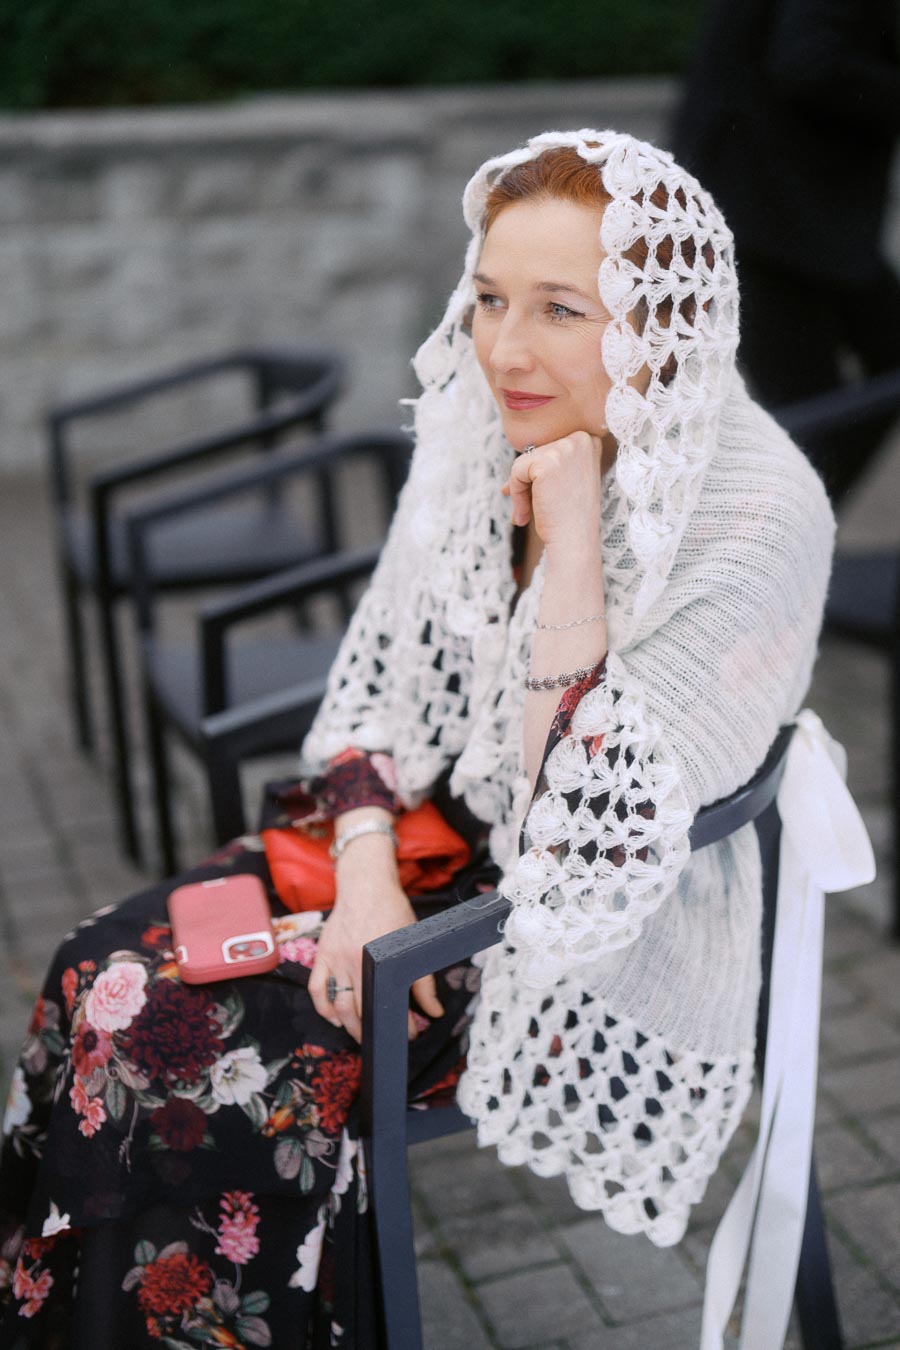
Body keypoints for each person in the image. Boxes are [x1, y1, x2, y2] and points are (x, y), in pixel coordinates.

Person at [0, 130, 836, 1347]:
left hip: (570, 933)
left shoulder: (756, 517)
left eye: (561, 309)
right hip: (415, 856)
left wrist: (572, 552)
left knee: (153, 1039)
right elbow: (378, 699)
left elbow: (583, 845)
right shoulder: (485, 427)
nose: (505, 349)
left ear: (664, 326)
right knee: (89, 966)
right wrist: (365, 880)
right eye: (490, 298)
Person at [670, 0, 900, 504]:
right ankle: (774, 533)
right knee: (811, 423)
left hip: (784, 218)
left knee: (824, 417)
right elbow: (809, 62)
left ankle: (792, 527)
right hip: (768, 222)